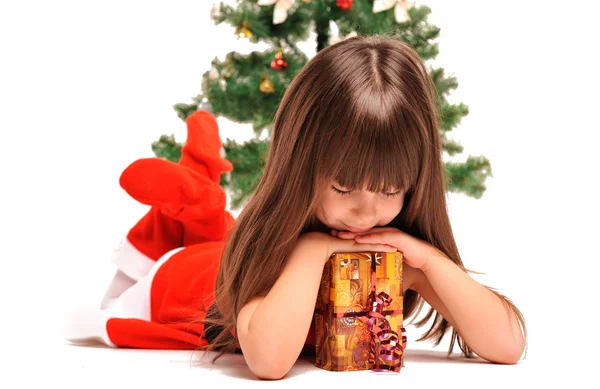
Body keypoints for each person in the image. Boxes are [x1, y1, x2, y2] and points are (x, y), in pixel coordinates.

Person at [65, 35, 528, 380]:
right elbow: (269, 363)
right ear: (301, 166)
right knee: (203, 227)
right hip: (179, 280)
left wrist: (427, 261)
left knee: (212, 223)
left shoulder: (397, 253)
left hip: (218, 255)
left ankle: (202, 188)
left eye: (390, 190)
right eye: (344, 187)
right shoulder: (274, 246)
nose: (366, 214)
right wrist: (311, 250)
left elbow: (508, 346)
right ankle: (193, 189)